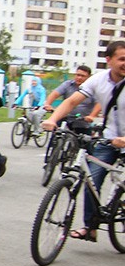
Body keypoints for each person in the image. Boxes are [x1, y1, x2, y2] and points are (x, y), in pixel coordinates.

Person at [42, 40, 125, 241]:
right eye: (122, 59)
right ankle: (91, 227)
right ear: (108, 60)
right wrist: (53, 119)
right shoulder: (98, 80)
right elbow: (71, 101)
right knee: (91, 179)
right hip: (110, 138)